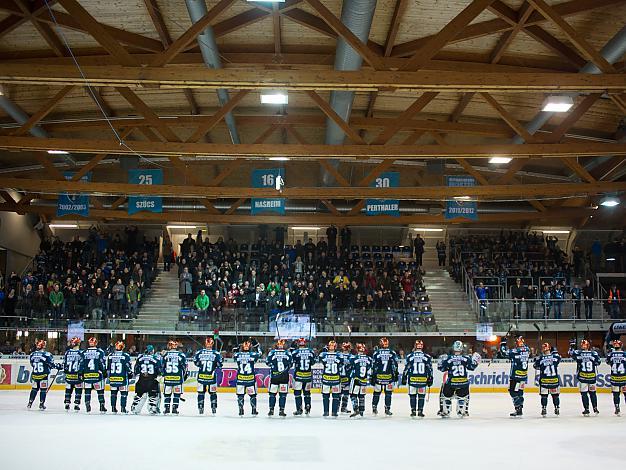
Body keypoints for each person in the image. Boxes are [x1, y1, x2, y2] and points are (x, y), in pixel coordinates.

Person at [437, 341, 480, 418]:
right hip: (463, 384)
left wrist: (441, 361)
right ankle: (463, 410)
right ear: (461, 348)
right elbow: (472, 367)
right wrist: (476, 361)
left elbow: (441, 368)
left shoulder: (448, 358)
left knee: (445, 394)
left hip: (451, 383)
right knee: (464, 394)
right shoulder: (466, 358)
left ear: (453, 348)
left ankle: (445, 410)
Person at [500, 335, 531, 417]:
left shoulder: (515, 351)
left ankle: (518, 407)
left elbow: (504, 353)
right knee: (520, 392)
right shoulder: (527, 349)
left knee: (512, 391)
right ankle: (520, 408)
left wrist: (503, 343)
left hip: (515, 376)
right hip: (523, 376)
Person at [569, 338, 600, 416]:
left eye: (584, 345)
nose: (583, 346)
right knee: (592, 393)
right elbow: (598, 362)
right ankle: (594, 408)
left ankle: (587, 409)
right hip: (592, 377)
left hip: (583, 377)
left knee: (584, 393)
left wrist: (572, 346)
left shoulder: (578, 353)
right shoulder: (594, 353)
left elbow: (571, 354)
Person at [402, 339, 433, 418]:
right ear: (422, 347)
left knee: (412, 396)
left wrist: (404, 377)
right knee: (421, 396)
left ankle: (413, 411)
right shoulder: (427, 357)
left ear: (415, 346)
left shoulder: (410, 356)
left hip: (412, 379)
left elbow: (407, 368)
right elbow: (429, 369)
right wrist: (430, 378)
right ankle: (420, 411)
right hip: (422, 380)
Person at [193, 336, 223, 415]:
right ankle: (213, 407)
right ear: (212, 344)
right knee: (213, 393)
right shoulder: (216, 353)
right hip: (211, 377)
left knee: (201, 393)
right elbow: (220, 364)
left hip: (201, 377)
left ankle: (200, 407)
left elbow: (196, 362)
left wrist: (200, 365)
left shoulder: (199, 353)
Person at [233, 338, 262, 416]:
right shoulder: (253, 354)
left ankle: (241, 409)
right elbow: (260, 353)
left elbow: (234, 355)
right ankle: (253, 409)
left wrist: (236, 348)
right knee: (253, 395)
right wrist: (256, 345)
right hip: (250, 379)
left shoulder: (238, 355)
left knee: (240, 395)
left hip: (240, 379)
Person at [28, 339, 59, 410]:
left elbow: (32, 364)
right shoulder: (47, 354)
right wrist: (58, 366)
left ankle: (30, 403)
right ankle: (41, 404)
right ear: (43, 346)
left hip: (35, 375)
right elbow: (51, 364)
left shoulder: (32, 354)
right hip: (43, 376)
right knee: (43, 390)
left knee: (34, 389)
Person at [371, 337, 399, 416]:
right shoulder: (392, 352)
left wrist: (372, 376)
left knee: (376, 393)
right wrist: (396, 374)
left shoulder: (376, 353)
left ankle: (374, 407)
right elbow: (395, 365)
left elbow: (374, 365)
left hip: (379, 376)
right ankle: (387, 408)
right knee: (388, 393)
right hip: (388, 377)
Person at [131, 345, 161, 415]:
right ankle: (152, 408)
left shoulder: (140, 358)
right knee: (153, 395)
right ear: (151, 351)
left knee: (139, 395)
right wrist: (160, 375)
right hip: (152, 380)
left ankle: (135, 408)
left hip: (142, 379)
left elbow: (136, 369)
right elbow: (159, 370)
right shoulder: (156, 358)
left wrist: (138, 374)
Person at [533, 342, 561, 417]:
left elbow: (535, 366)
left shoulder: (540, 358)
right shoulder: (556, 357)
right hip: (554, 380)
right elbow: (558, 360)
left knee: (544, 396)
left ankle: (544, 408)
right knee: (555, 395)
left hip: (544, 380)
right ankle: (557, 408)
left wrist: (536, 360)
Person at [266, 338, 293, 417]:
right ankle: (273, 409)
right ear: (277, 345)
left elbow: (267, 362)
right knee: (274, 394)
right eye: (280, 344)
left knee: (280, 395)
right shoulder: (287, 353)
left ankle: (279, 410)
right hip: (281, 376)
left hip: (277, 376)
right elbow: (291, 364)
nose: (281, 345)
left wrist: (274, 367)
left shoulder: (272, 352)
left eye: (282, 344)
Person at [291, 337, 316, 416]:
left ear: (298, 344)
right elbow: (313, 363)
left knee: (297, 393)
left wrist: (292, 349)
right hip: (308, 376)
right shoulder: (311, 351)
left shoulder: (295, 352)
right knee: (307, 393)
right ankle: (308, 407)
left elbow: (292, 361)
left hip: (298, 376)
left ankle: (299, 409)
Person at [162, 340, 187, 415]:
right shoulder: (181, 355)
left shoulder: (165, 355)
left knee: (167, 394)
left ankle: (166, 408)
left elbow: (162, 367)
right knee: (177, 394)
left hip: (168, 379)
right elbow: (185, 367)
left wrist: (164, 374)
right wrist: (184, 376)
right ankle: (174, 409)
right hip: (177, 378)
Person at [82, 336, 107, 413]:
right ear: (96, 343)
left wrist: (80, 373)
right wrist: (104, 372)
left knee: (87, 391)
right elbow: (102, 363)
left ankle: (87, 404)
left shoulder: (84, 352)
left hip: (87, 375)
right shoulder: (100, 352)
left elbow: (81, 364)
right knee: (100, 391)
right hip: (97, 375)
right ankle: (102, 406)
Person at [107, 341, 132, 414]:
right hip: (122, 378)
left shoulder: (110, 355)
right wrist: (130, 373)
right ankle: (123, 409)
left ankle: (113, 408)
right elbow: (127, 366)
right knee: (124, 394)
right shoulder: (125, 355)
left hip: (113, 378)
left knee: (113, 394)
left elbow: (108, 368)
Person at [318, 339, 342, 417]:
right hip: (335, 379)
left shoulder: (323, 354)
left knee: (326, 396)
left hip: (326, 379)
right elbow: (341, 364)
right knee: (335, 396)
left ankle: (326, 411)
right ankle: (334, 412)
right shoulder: (339, 355)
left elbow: (320, 359)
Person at [349, 343, 372, 418]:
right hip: (364, 380)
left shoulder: (355, 358)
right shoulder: (369, 359)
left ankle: (356, 409)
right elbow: (369, 368)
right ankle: (362, 410)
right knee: (362, 395)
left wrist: (351, 351)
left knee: (353, 395)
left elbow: (350, 364)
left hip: (356, 379)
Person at [63, 337, 84, 412]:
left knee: (68, 389)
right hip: (77, 375)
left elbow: (64, 364)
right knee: (78, 389)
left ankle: (67, 403)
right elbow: (83, 364)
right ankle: (76, 404)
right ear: (78, 343)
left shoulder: (67, 352)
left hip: (69, 375)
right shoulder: (81, 353)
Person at [606, 339, 626, 415]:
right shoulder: (624, 354)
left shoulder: (610, 354)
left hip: (614, 378)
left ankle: (617, 408)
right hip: (624, 378)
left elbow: (608, 362)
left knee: (616, 394)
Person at [339, 342, 353, 414]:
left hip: (338, 377)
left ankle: (336, 407)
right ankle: (343, 408)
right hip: (347, 378)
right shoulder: (352, 357)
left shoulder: (338, 355)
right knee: (346, 393)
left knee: (338, 393)